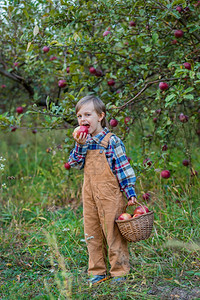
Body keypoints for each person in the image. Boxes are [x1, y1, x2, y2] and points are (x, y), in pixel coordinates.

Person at [68, 95, 137, 285]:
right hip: (89, 194)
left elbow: (123, 168)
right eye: (79, 116)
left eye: (87, 114)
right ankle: (97, 270)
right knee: (91, 232)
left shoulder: (111, 141)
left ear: (100, 116)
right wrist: (79, 145)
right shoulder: (84, 142)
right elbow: (74, 163)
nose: (82, 120)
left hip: (110, 195)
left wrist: (130, 192)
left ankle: (120, 271)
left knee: (113, 231)